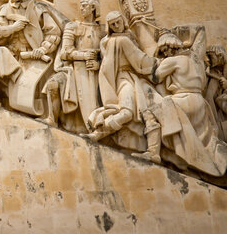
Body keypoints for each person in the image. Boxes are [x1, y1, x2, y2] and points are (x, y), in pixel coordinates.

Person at [136, 30, 227, 176]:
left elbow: (155, 77)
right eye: (163, 51)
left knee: (150, 111)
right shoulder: (197, 61)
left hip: (183, 99)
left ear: (173, 47)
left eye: (166, 49)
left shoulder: (172, 61)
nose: (165, 53)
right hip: (200, 103)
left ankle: (153, 152)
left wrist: (157, 62)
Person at [82, 11, 159, 153]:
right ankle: (98, 132)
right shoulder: (116, 40)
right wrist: (157, 63)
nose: (116, 26)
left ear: (123, 21)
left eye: (118, 22)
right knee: (127, 112)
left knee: (137, 113)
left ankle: (99, 132)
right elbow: (140, 61)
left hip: (127, 79)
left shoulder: (125, 38)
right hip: (124, 78)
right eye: (112, 24)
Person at [0, 0, 61, 105]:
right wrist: (13, 28)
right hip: (10, 54)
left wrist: (42, 49)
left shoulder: (38, 9)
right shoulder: (5, 8)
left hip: (30, 56)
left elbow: (53, 33)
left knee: (27, 99)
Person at [42, 0, 103, 132]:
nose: (81, 8)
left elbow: (109, 54)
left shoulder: (103, 30)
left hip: (95, 71)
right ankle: (52, 119)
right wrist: (83, 55)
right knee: (53, 84)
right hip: (72, 70)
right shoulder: (73, 27)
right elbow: (65, 52)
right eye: (80, 5)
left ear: (93, 8)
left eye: (84, 5)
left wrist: (98, 63)